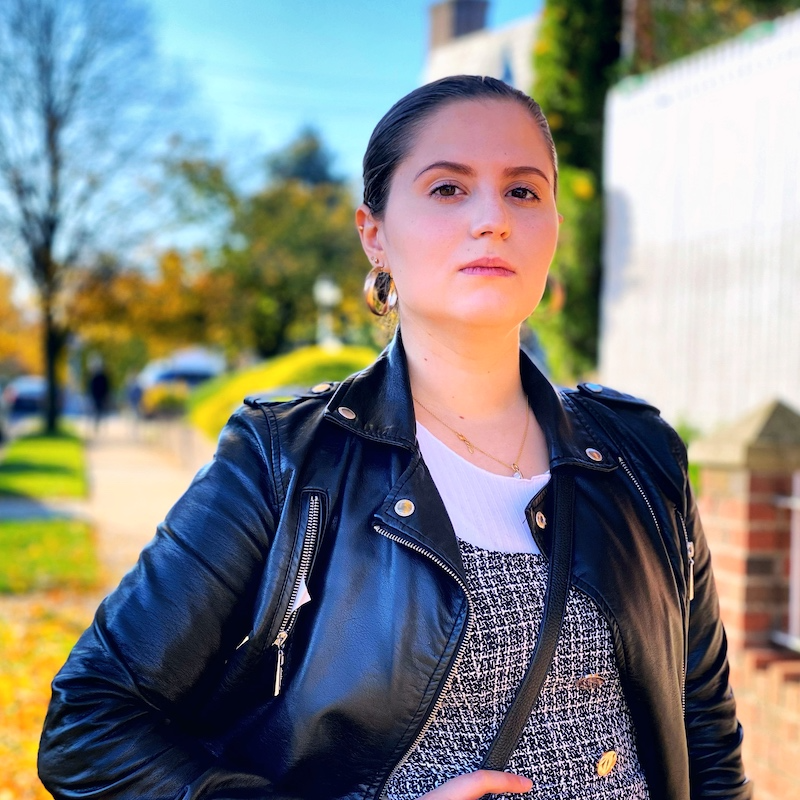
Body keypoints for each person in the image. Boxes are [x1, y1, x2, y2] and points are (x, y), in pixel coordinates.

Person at [38, 76, 751, 800]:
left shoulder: (641, 455)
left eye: (523, 191)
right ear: (374, 234)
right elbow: (88, 725)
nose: (493, 219)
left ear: (554, 229)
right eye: (448, 189)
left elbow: (707, 735)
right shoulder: (285, 457)